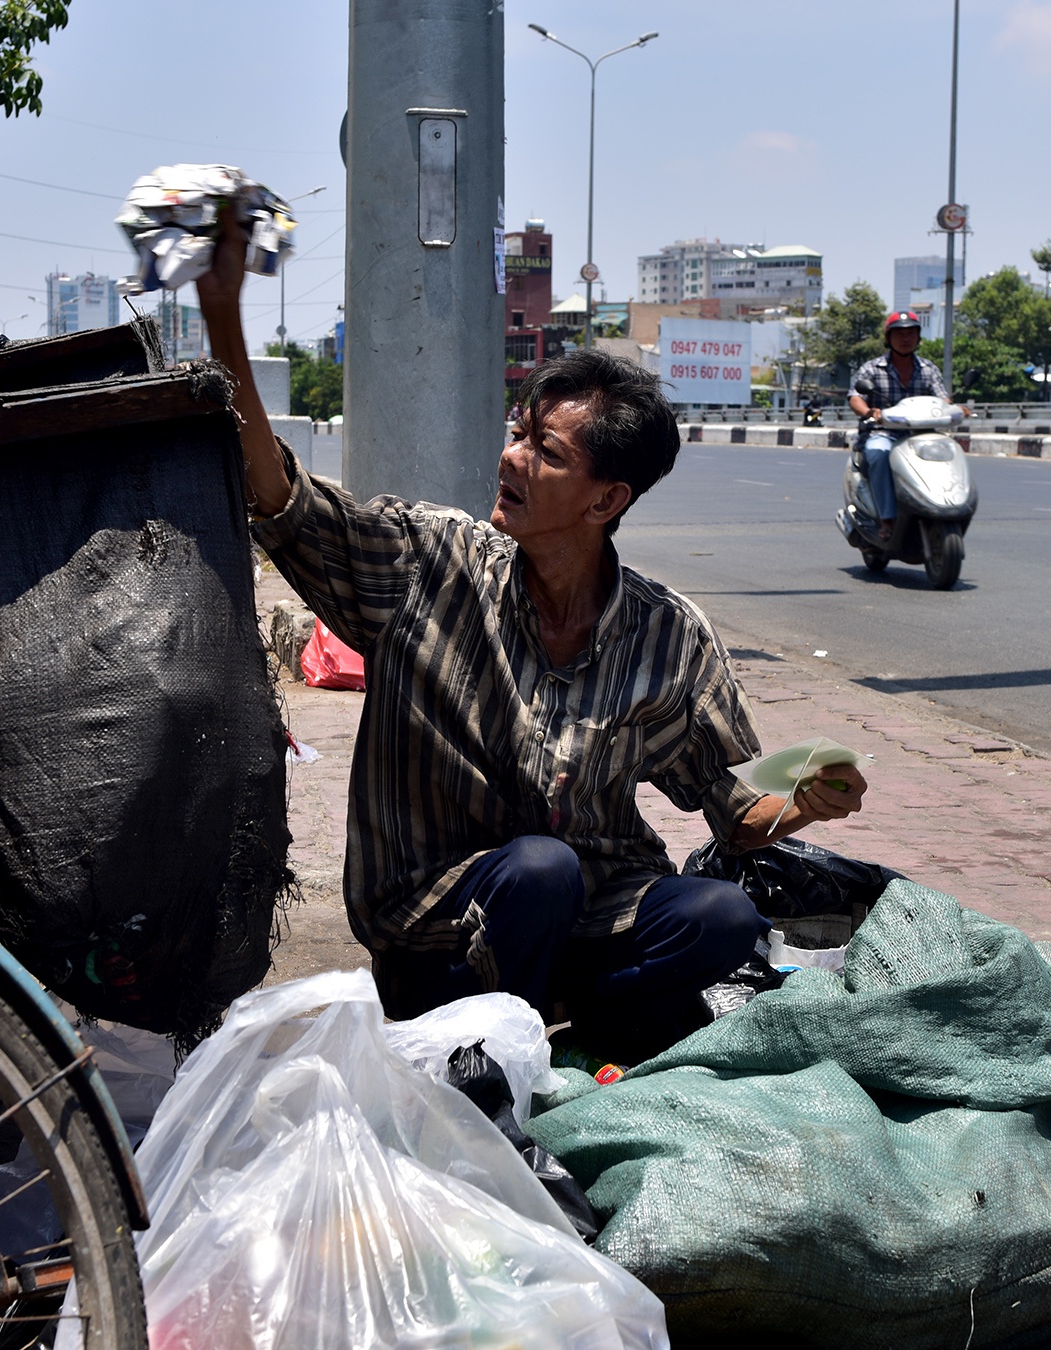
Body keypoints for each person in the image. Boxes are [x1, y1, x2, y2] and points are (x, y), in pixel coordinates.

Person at [196, 211, 870, 1063]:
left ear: (605, 500)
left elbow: (738, 810)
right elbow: (282, 500)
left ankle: (562, 1033)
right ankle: (490, 1064)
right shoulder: (427, 562)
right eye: (518, 434)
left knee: (726, 917)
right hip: (437, 931)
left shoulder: (669, 637)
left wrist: (806, 796)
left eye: (543, 451)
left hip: (590, 918)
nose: (511, 459)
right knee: (539, 871)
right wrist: (224, 314)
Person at [848, 311, 953, 544]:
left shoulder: (928, 369)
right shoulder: (873, 369)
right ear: (888, 338)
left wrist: (955, 410)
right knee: (878, 452)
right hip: (882, 433)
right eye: (900, 334)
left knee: (947, 451)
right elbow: (855, 397)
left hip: (921, 434)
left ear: (918, 338)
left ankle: (944, 503)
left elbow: (942, 399)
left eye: (911, 333)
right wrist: (868, 412)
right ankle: (887, 519)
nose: (906, 339)